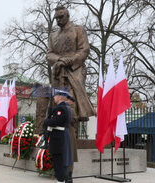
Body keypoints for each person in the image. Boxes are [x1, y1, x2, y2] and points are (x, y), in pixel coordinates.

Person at [46, 6, 95, 181]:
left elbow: (84, 50)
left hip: (74, 73)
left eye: (61, 17)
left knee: (71, 115)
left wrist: (70, 60)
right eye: (56, 17)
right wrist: (59, 60)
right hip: (58, 75)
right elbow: (49, 54)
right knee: (57, 112)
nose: (58, 20)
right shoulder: (53, 35)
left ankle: (69, 170)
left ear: (67, 16)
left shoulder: (78, 30)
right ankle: (60, 168)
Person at [44, 89, 74, 183]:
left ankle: (61, 180)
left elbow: (55, 122)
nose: (54, 97)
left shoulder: (61, 108)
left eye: (56, 95)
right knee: (61, 160)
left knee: (59, 161)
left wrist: (46, 121)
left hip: (58, 138)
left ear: (61, 97)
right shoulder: (66, 107)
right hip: (61, 136)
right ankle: (63, 179)